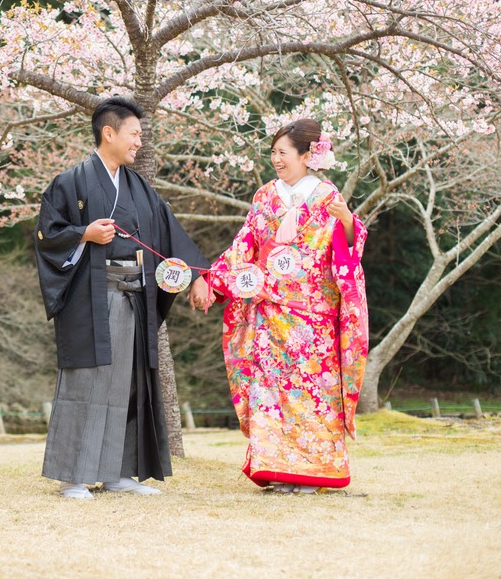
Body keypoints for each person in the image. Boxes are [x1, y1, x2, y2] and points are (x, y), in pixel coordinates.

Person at [34, 96, 211, 499]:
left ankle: (117, 472)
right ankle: (74, 476)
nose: (139, 143)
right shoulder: (71, 181)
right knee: (89, 382)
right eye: (134, 134)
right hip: (92, 297)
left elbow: (170, 235)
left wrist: (198, 274)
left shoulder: (138, 187)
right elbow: (46, 235)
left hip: (136, 297)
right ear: (108, 133)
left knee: (129, 384)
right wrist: (84, 234)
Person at [201, 119, 368, 494]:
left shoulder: (327, 195)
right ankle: (275, 467)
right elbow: (245, 243)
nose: (276, 159)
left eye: (283, 152)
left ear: (307, 156)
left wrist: (347, 223)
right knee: (270, 394)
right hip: (270, 313)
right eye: (273, 152)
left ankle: (313, 470)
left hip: (313, 314)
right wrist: (215, 279)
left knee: (313, 395)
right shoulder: (265, 195)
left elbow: (342, 253)